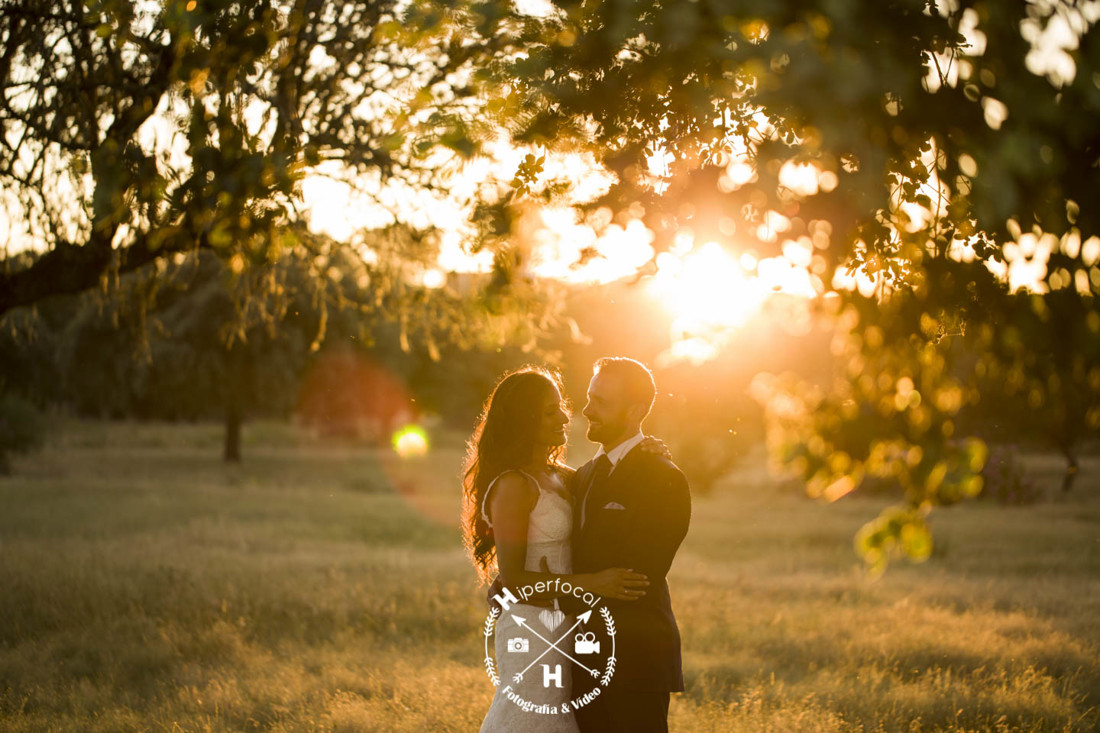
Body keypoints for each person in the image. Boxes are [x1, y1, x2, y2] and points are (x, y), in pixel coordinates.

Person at [462, 366, 650, 733]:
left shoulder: (562, 476)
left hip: (566, 622)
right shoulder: (513, 485)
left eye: (561, 405)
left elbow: (609, 472)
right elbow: (514, 579)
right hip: (531, 627)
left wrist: (644, 448)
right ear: (524, 419)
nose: (566, 415)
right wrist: (594, 583)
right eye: (551, 411)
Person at [569, 357, 692, 733]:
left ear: (637, 410)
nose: (587, 410)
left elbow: (635, 576)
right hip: (578, 657)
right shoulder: (582, 476)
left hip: (635, 659)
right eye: (589, 397)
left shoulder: (663, 477)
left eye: (601, 402)